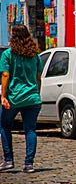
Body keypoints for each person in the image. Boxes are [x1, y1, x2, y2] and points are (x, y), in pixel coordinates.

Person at [0, 24, 42, 173]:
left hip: (14, 98)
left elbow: (5, 75)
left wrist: (3, 96)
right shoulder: (35, 54)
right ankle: (29, 164)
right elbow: (38, 77)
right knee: (30, 130)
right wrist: (37, 93)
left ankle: (8, 159)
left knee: (5, 126)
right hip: (32, 98)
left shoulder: (8, 54)